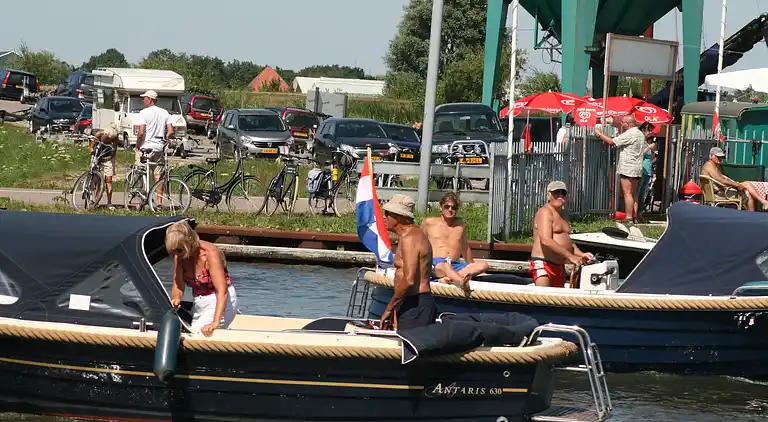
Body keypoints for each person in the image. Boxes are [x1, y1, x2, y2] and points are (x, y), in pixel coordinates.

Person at [166, 220, 238, 336]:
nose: (177, 254)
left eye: (179, 250)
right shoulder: (180, 256)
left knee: (195, 335)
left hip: (220, 300)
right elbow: (178, 284)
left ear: (189, 241)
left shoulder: (210, 254)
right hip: (199, 301)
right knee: (191, 332)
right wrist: (176, 299)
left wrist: (215, 322)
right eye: (172, 251)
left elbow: (222, 291)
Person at [379, 194, 437, 331]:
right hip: (409, 302)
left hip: (416, 305)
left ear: (398, 217)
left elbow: (409, 279)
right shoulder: (409, 236)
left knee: (410, 344)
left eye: (387, 214)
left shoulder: (410, 238)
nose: (384, 217)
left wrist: (389, 308)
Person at [530, 181, 594, 288]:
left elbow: (567, 241)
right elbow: (546, 240)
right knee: (543, 296)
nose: (560, 195)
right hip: (544, 264)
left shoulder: (563, 214)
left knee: (557, 297)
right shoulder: (545, 212)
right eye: (556, 192)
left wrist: (581, 254)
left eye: (563, 192)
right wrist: (571, 257)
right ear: (548, 195)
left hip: (559, 266)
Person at [421, 192, 489, 292]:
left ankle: (448, 279)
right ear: (441, 207)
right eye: (447, 207)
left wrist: (473, 266)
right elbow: (419, 244)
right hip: (436, 263)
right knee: (445, 266)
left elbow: (465, 248)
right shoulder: (429, 223)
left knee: (483, 265)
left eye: (453, 208)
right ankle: (461, 282)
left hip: (455, 265)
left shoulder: (460, 225)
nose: (450, 210)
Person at [595, 115, 645, 223]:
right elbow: (624, 141)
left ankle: (629, 217)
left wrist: (600, 134)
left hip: (627, 166)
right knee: (634, 193)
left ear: (627, 123)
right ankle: (635, 216)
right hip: (637, 166)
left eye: (623, 122)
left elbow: (612, 142)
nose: (622, 124)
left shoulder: (629, 133)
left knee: (627, 193)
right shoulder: (639, 133)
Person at [700, 146, 768, 211]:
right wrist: (737, 185)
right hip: (721, 193)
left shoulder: (713, 166)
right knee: (748, 193)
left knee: (747, 184)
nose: (720, 159)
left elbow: (724, 178)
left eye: (721, 157)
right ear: (711, 156)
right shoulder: (709, 165)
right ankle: (753, 213)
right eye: (718, 157)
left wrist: (736, 184)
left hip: (721, 191)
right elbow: (722, 180)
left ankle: (763, 202)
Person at [135, 90, 174, 201]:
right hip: (158, 148)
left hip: (145, 147)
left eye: (145, 98)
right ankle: (159, 202)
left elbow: (141, 132)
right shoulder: (164, 113)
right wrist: (165, 140)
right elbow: (171, 131)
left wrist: (138, 145)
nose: (143, 100)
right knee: (158, 175)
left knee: (141, 172)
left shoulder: (143, 113)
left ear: (150, 99)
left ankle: (141, 200)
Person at [89, 123, 119, 209]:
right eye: (108, 138)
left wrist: (107, 159)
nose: (110, 139)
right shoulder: (99, 135)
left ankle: (109, 202)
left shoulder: (115, 138)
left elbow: (113, 152)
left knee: (108, 180)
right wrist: (94, 154)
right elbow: (91, 147)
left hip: (108, 157)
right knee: (96, 179)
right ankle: (95, 200)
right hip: (98, 155)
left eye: (111, 138)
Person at [635, 122, 657, 219]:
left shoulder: (646, 142)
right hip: (642, 170)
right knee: (638, 193)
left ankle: (640, 213)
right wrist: (648, 148)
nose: (650, 133)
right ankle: (636, 214)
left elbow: (650, 158)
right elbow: (638, 155)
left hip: (647, 171)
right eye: (649, 130)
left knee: (643, 193)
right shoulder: (640, 142)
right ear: (644, 130)